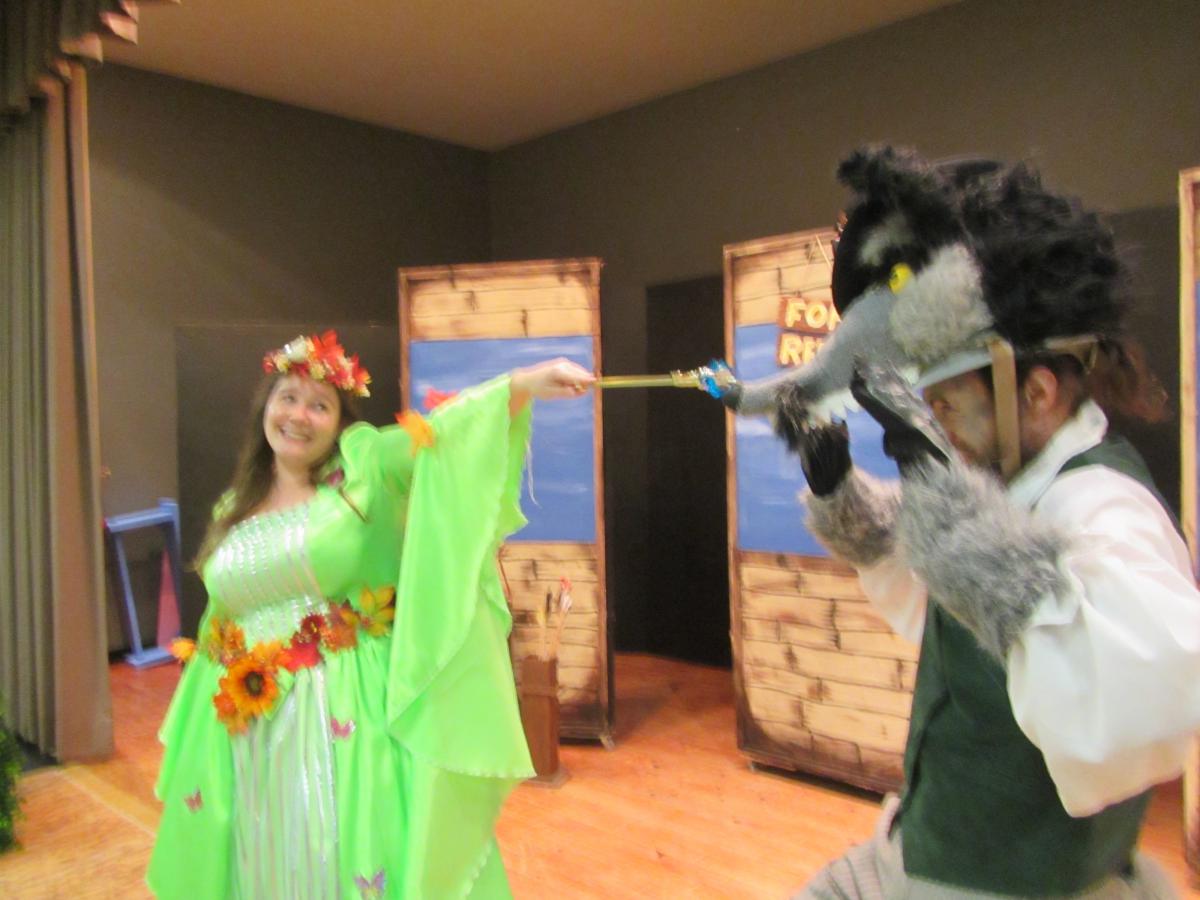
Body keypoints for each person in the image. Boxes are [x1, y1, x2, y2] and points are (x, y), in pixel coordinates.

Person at [767, 149, 1200, 896]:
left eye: (945, 402)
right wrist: (846, 499)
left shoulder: (1101, 503)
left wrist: (966, 537)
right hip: (927, 841)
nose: (937, 424)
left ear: (1035, 391)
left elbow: (1138, 704)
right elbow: (948, 613)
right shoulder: (1015, 480)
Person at [147, 331, 593, 899]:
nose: (299, 416)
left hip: (342, 716)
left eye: (319, 405)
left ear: (339, 423)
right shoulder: (233, 506)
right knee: (256, 853)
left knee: (337, 851)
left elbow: (443, 433)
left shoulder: (364, 473)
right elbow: (220, 614)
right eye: (288, 398)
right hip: (240, 722)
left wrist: (522, 384)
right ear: (265, 408)